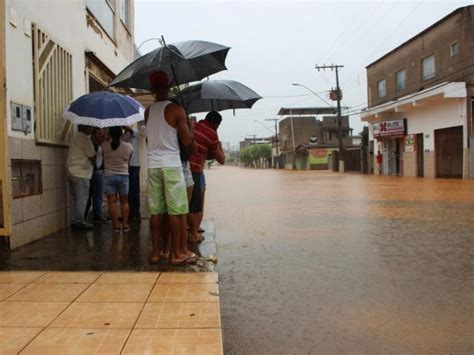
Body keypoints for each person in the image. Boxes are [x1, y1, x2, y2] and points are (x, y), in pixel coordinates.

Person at [145, 70, 196, 266]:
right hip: (172, 166)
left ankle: (156, 253)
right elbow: (186, 141)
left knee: (156, 212)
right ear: (168, 88)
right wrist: (189, 126)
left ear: (151, 90)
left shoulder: (148, 111)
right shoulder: (176, 110)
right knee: (176, 211)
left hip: (153, 165)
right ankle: (177, 254)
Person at [188, 111, 225, 243]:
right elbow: (221, 159)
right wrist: (218, 143)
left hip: (182, 167)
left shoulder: (194, 126)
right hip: (195, 169)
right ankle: (194, 233)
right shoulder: (212, 134)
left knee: (186, 203)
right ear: (216, 124)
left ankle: (192, 229)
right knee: (196, 204)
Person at [102, 126, 134, 232]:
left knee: (112, 202)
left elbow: (102, 157)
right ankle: (125, 225)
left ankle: (115, 225)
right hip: (123, 175)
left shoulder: (104, 145)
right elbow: (128, 160)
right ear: (121, 134)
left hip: (109, 175)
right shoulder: (128, 146)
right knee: (124, 202)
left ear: (110, 134)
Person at [66, 125, 95, 230]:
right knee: (82, 199)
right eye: (90, 127)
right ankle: (79, 222)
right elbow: (92, 156)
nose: (91, 129)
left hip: (72, 171)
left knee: (74, 198)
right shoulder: (85, 138)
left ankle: (74, 220)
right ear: (85, 127)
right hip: (81, 173)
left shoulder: (75, 136)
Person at [85, 128, 106, 222]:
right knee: (96, 194)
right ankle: (97, 215)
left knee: (97, 194)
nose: (101, 135)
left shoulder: (99, 144)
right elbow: (93, 159)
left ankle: (96, 214)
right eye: (99, 133)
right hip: (96, 172)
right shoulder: (92, 145)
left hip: (98, 171)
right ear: (93, 135)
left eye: (102, 133)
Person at [121, 126, 142, 222]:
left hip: (134, 165)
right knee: (127, 191)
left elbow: (132, 131)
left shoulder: (136, 133)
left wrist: (126, 127)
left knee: (134, 190)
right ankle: (128, 213)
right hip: (125, 166)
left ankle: (136, 213)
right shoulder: (122, 137)